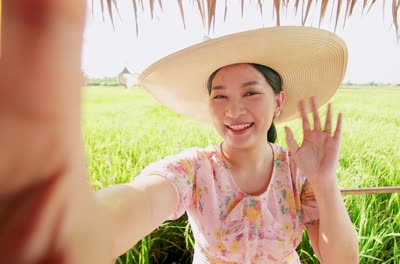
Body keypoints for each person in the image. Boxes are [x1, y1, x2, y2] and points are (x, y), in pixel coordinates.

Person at [0, 1, 358, 263]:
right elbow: (142, 198)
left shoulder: (298, 172)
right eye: (220, 97)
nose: (234, 110)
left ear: (278, 102)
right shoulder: (195, 170)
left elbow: (342, 260)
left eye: (251, 93)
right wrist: (79, 231)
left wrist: (325, 181)